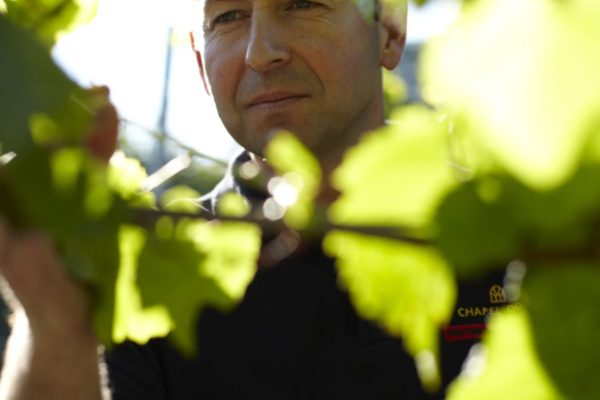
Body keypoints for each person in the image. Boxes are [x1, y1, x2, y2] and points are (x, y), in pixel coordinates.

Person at [0, 0, 505, 398]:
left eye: (302, 3)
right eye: (229, 17)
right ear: (201, 65)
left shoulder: (525, 233)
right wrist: (54, 321)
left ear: (390, 31)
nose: (259, 52)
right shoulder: (156, 274)